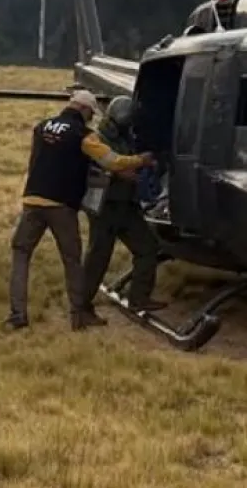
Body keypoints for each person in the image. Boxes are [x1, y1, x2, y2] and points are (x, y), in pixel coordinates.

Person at [7, 89, 155, 332]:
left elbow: (37, 159)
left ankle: (17, 314)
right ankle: (78, 315)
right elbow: (113, 161)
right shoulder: (84, 135)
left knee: (21, 256)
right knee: (72, 261)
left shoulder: (41, 127)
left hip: (32, 200)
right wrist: (141, 160)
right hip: (61, 205)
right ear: (85, 110)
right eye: (90, 113)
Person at [81, 95, 166, 323]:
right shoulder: (96, 140)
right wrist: (122, 171)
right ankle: (81, 306)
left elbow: (126, 161)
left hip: (126, 205)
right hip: (105, 207)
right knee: (98, 257)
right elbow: (98, 168)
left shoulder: (125, 138)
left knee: (148, 248)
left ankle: (139, 298)